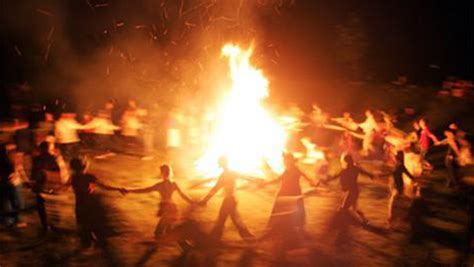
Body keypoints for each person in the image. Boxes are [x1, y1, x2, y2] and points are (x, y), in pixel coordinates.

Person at [123, 164, 194, 240]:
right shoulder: (173, 184)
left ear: (162, 173)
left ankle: (184, 245)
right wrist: (193, 202)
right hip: (172, 209)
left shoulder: (160, 185)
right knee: (169, 232)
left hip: (166, 209)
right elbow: (184, 196)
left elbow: (144, 190)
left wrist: (129, 190)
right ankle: (185, 247)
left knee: (159, 233)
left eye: (162, 172)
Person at [67, 157, 125, 248]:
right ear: (84, 167)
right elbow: (104, 186)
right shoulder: (88, 177)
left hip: (79, 205)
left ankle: (89, 241)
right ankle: (95, 241)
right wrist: (118, 189)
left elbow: (62, 186)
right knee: (92, 223)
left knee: (84, 224)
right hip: (90, 204)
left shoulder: (73, 178)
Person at [199, 157, 255, 242]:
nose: (218, 163)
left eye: (219, 162)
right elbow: (244, 176)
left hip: (229, 200)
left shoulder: (225, 175)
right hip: (232, 199)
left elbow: (215, 188)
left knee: (225, 219)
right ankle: (248, 238)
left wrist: (205, 200)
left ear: (222, 163)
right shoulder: (231, 173)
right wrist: (256, 180)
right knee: (227, 219)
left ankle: (214, 238)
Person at [265, 153, 318, 234]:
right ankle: (281, 225)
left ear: (290, 160)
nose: (285, 161)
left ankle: (296, 224)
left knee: (296, 207)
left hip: (293, 191)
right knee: (282, 206)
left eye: (286, 160)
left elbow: (304, 175)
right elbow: (279, 179)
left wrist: (312, 182)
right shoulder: (288, 169)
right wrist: (267, 183)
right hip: (286, 190)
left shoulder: (295, 169)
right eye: (285, 160)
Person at [321, 154, 376, 225]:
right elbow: (365, 172)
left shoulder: (345, 170)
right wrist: (370, 175)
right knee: (354, 208)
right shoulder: (355, 168)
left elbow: (334, 177)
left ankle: (347, 223)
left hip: (351, 192)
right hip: (355, 191)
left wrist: (326, 181)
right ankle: (364, 220)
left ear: (346, 161)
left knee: (343, 209)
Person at [31, 141, 60, 232]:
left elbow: (34, 173)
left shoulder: (36, 159)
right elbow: (57, 171)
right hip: (51, 185)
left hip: (40, 186)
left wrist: (33, 182)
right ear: (48, 149)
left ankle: (45, 225)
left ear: (40, 149)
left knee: (41, 206)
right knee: (52, 205)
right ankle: (54, 224)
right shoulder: (53, 158)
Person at [385, 151, 417, 228]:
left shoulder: (399, 166)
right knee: (395, 203)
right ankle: (396, 219)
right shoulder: (399, 165)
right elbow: (408, 174)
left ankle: (391, 220)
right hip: (396, 186)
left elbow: (393, 173)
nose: (395, 158)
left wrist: (380, 175)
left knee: (392, 204)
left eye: (396, 156)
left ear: (399, 158)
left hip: (397, 186)